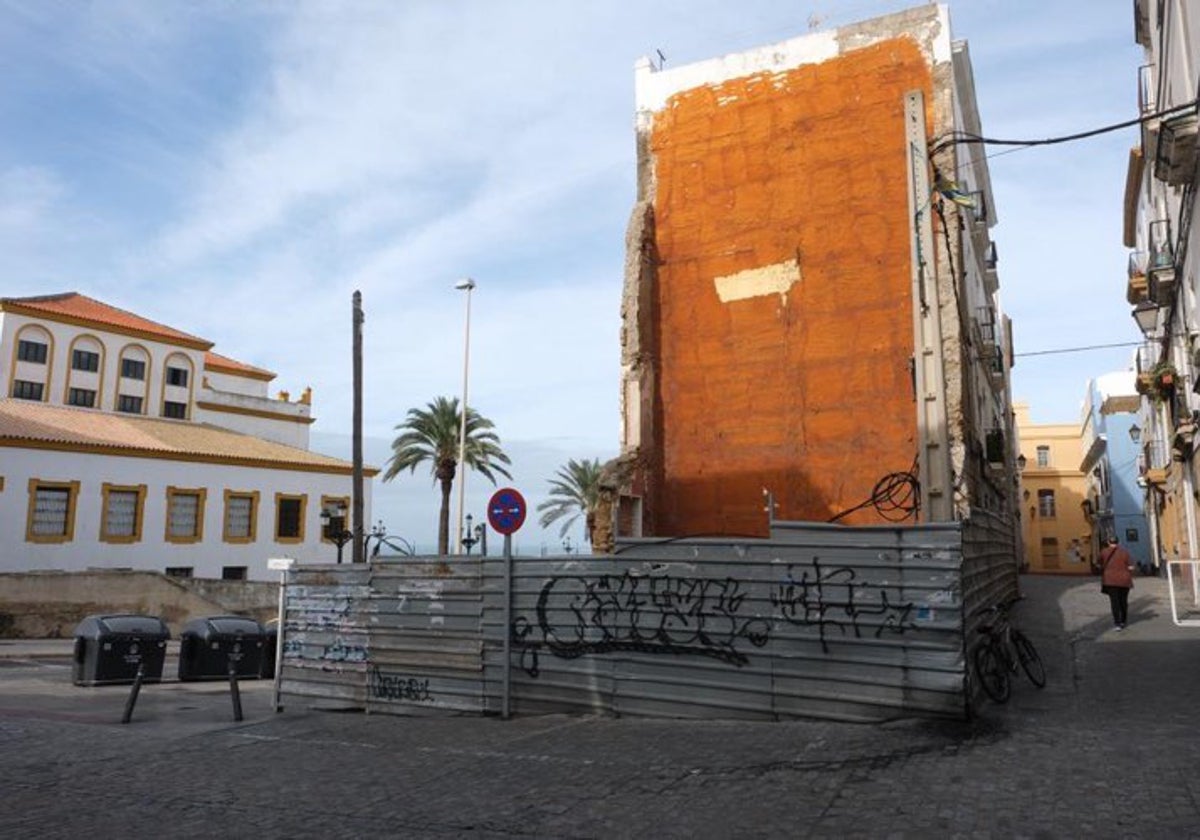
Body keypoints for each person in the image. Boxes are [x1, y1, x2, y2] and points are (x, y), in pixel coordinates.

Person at [1099, 535, 1135, 630]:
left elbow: (1099, 564)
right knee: (1123, 601)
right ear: (1118, 542)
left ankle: (1117, 624)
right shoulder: (1125, 552)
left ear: (1108, 542)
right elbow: (1131, 567)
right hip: (1124, 580)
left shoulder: (1104, 552)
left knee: (1114, 602)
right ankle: (1123, 621)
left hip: (1110, 580)